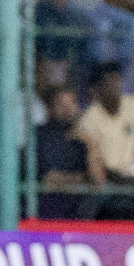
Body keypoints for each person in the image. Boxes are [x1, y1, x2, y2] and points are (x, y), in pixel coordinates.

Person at [77, 61, 134, 219]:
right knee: (92, 206)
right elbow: (92, 159)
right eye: (108, 83)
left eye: (117, 81)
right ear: (98, 89)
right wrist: (123, 181)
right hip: (107, 181)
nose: (114, 88)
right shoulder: (90, 118)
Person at [35, 85, 90, 221]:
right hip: (45, 212)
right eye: (61, 104)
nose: (68, 109)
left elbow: (95, 182)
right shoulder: (40, 136)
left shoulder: (80, 142)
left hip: (77, 213)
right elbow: (50, 179)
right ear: (50, 108)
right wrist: (76, 180)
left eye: (72, 103)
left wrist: (91, 145)